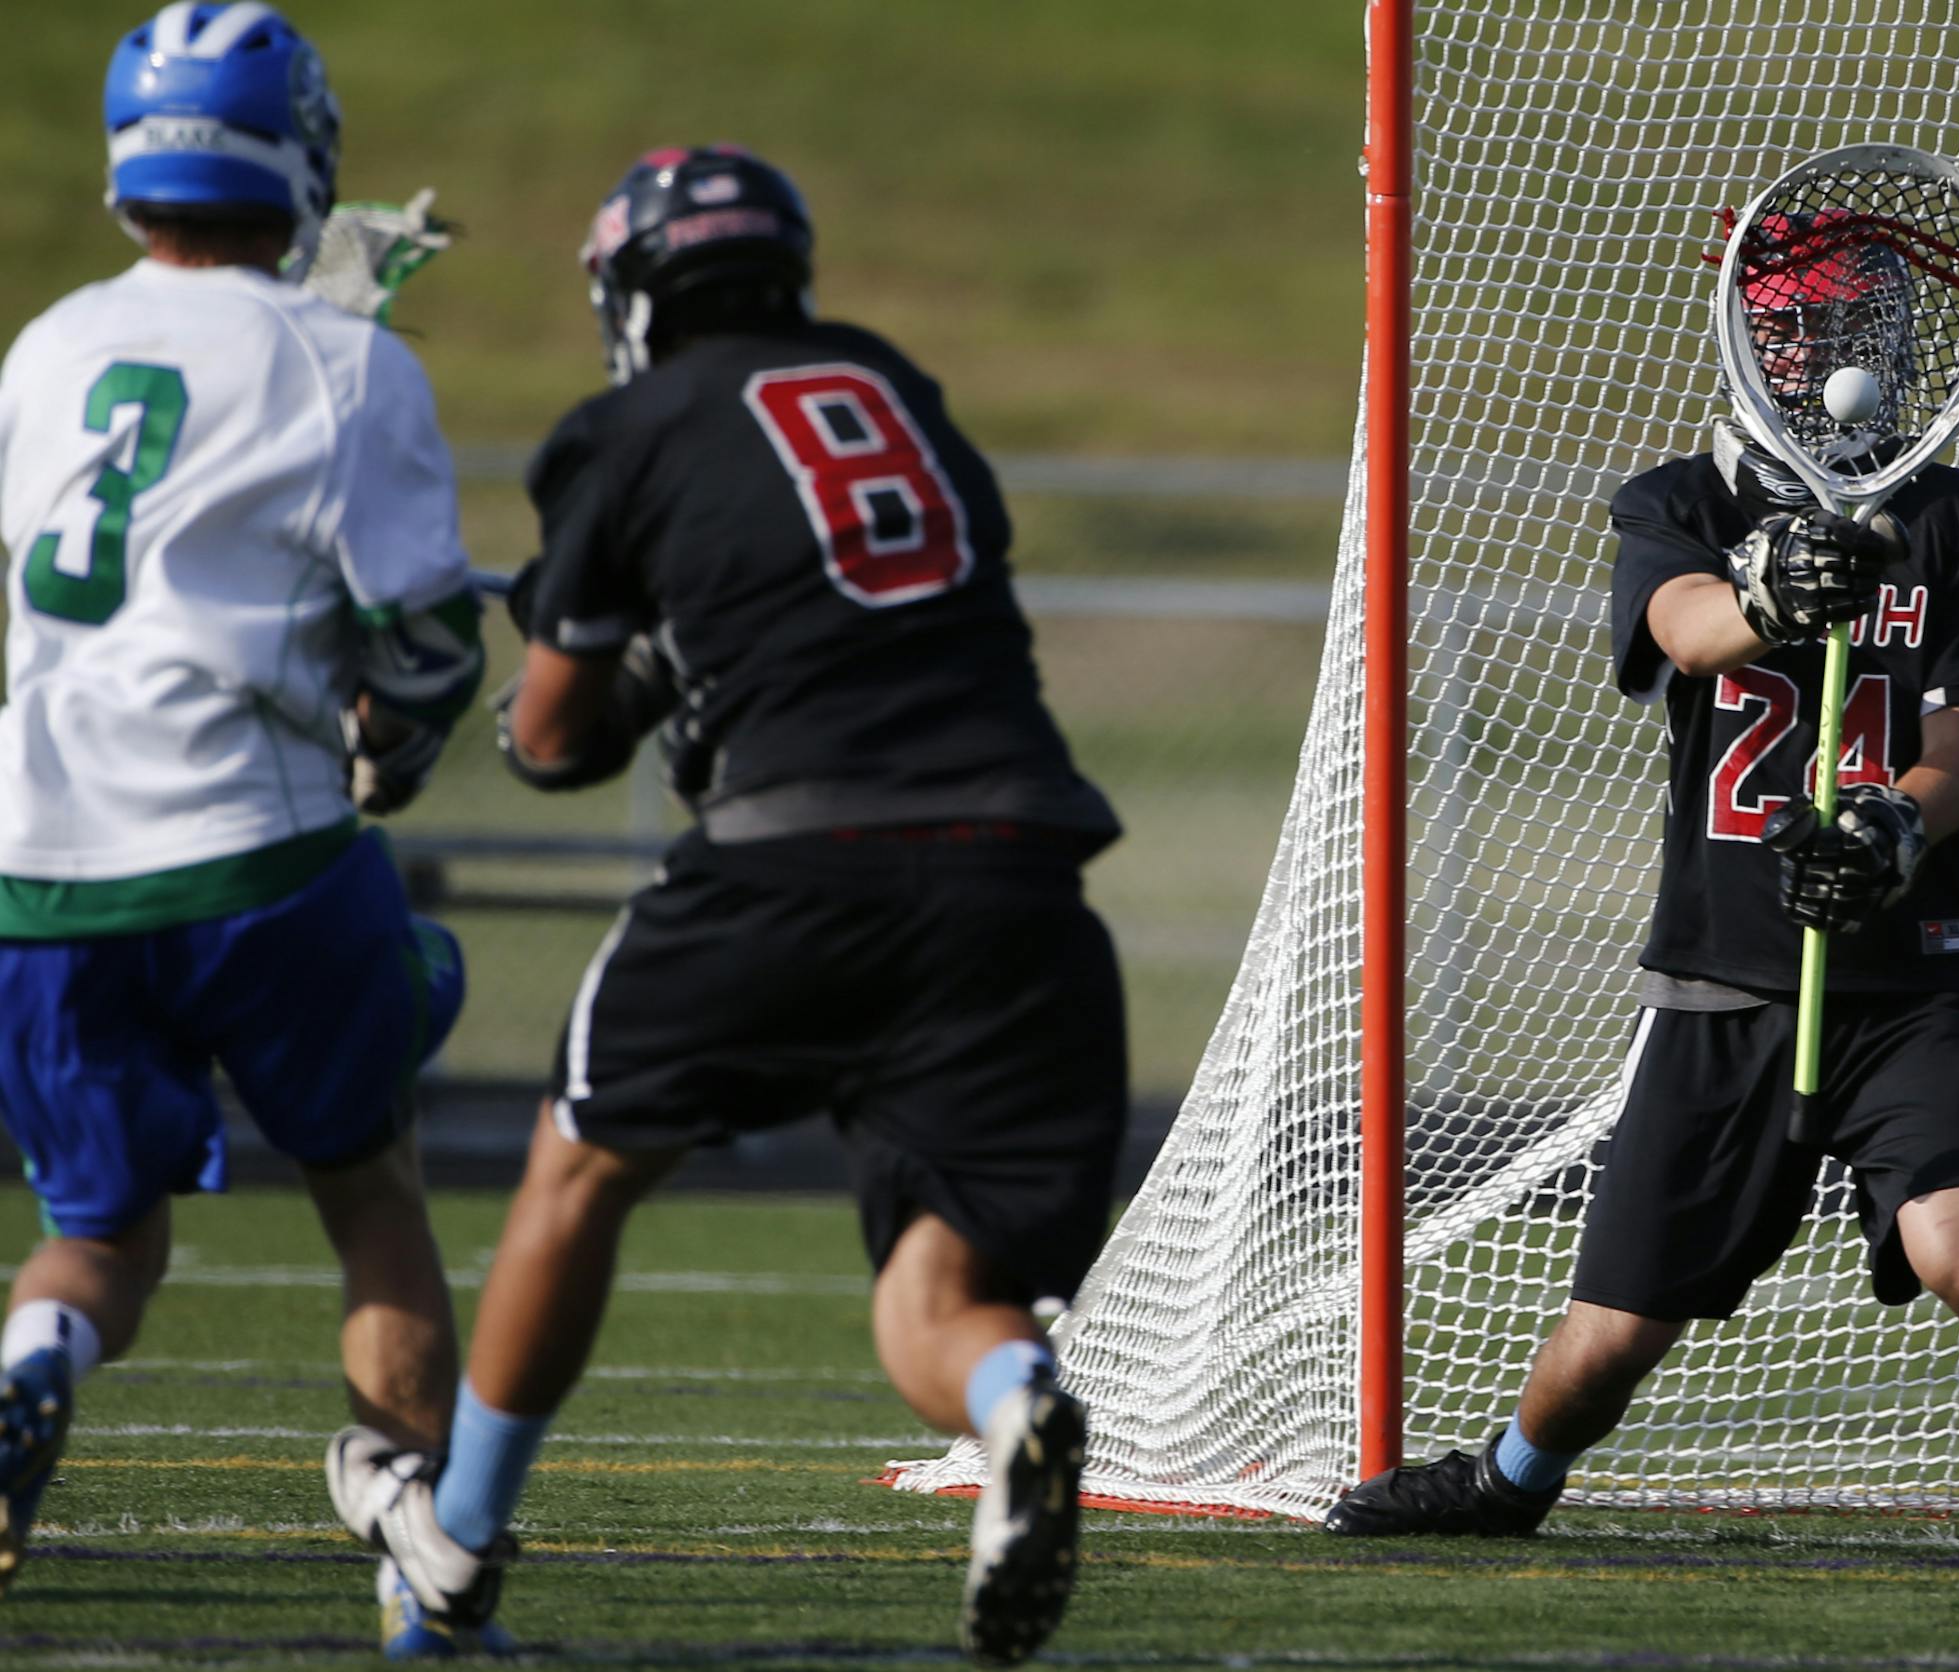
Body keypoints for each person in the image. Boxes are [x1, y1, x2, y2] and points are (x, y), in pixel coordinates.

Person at [324, 144, 1129, 1663]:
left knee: (580, 1166)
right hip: (1020, 878)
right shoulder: (896, 388)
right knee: (940, 1290)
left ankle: (457, 1552)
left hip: (795, 858)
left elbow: (556, 735)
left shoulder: (631, 426)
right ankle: (1019, 1408)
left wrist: (604, 691)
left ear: (633, 295)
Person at [1322, 206, 1959, 1556]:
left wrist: (1891, 830)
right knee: (1607, 1341)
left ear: (1906, 345)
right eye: (1799, 330)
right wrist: (1777, 592)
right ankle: (1511, 1483)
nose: (1826, 357)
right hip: (1722, 969)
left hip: (1906, 972)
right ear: (1746, 338)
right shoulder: (1685, 504)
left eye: (1853, 328)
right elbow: (1686, 629)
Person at [0, 1, 491, 1651]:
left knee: (96, 1234)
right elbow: (425, 637)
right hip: (259, 850)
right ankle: (424, 1567)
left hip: (47, 857)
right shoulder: (346, 360)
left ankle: (32, 1364)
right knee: (372, 1195)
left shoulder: (48, 345)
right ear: (299, 145)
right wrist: (391, 748)